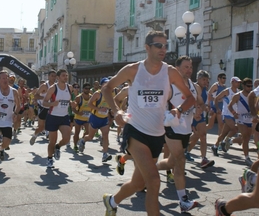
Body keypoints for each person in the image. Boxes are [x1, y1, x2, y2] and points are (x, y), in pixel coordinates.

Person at [100, 30, 196, 216]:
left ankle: (111, 201)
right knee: (153, 180)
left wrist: (179, 110)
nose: (163, 49)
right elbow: (107, 88)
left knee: (139, 183)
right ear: (147, 47)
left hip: (157, 135)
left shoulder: (170, 72)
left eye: (165, 45)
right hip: (135, 131)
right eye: (158, 45)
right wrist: (117, 111)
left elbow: (190, 98)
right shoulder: (133, 70)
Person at [156, 55, 202, 213]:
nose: (189, 70)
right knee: (180, 162)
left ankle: (150, 168)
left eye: (191, 67)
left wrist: (197, 112)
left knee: (171, 162)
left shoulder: (193, 86)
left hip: (186, 129)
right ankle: (183, 200)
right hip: (171, 128)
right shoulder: (170, 85)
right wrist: (168, 114)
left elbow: (197, 103)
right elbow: (159, 104)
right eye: (186, 67)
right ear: (177, 69)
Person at [42, 69, 72, 168]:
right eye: (63, 75)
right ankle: (50, 159)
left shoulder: (70, 88)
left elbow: (69, 100)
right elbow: (44, 102)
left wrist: (72, 104)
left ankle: (58, 147)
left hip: (64, 116)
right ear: (58, 78)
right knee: (52, 141)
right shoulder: (52, 88)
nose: (66, 77)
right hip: (53, 116)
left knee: (67, 138)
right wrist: (52, 104)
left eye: (66, 75)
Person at [78, 77, 113, 162]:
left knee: (105, 136)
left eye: (108, 84)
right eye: (105, 84)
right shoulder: (97, 94)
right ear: (101, 85)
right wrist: (98, 109)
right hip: (95, 118)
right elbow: (89, 104)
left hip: (104, 118)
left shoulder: (111, 94)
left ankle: (105, 154)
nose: (107, 85)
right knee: (90, 137)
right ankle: (83, 140)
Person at [186, 70, 215, 168]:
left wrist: (207, 109)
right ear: (198, 79)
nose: (205, 82)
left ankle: (203, 159)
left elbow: (204, 104)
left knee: (203, 135)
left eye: (207, 80)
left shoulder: (205, 92)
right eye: (203, 79)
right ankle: (185, 149)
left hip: (200, 116)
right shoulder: (192, 87)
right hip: (190, 114)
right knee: (196, 135)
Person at [227, 78, 255, 167]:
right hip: (240, 119)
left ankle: (230, 141)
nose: (250, 88)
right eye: (248, 86)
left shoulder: (253, 95)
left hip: (250, 119)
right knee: (246, 137)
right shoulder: (237, 96)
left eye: (251, 86)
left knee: (245, 137)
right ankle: (247, 157)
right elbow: (230, 106)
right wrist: (234, 113)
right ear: (243, 86)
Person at [212, 77, 241, 156]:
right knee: (234, 129)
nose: (238, 84)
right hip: (227, 114)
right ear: (232, 82)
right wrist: (217, 108)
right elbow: (216, 98)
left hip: (234, 114)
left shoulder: (238, 92)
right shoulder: (227, 91)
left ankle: (215, 146)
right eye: (237, 82)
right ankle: (225, 142)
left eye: (239, 82)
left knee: (223, 133)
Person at [29, 70, 57, 145]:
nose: (54, 78)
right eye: (52, 76)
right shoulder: (44, 86)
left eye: (55, 76)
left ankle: (52, 144)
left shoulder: (56, 86)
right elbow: (36, 96)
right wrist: (43, 97)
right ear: (48, 76)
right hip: (44, 108)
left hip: (53, 108)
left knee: (53, 127)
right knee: (41, 127)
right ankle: (35, 135)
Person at [71, 82, 92, 151]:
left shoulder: (92, 97)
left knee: (88, 132)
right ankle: (75, 146)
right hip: (78, 118)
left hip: (87, 118)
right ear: (83, 89)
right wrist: (78, 113)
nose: (87, 90)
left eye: (89, 88)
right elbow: (73, 108)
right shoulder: (79, 98)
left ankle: (82, 141)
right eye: (86, 88)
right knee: (77, 132)